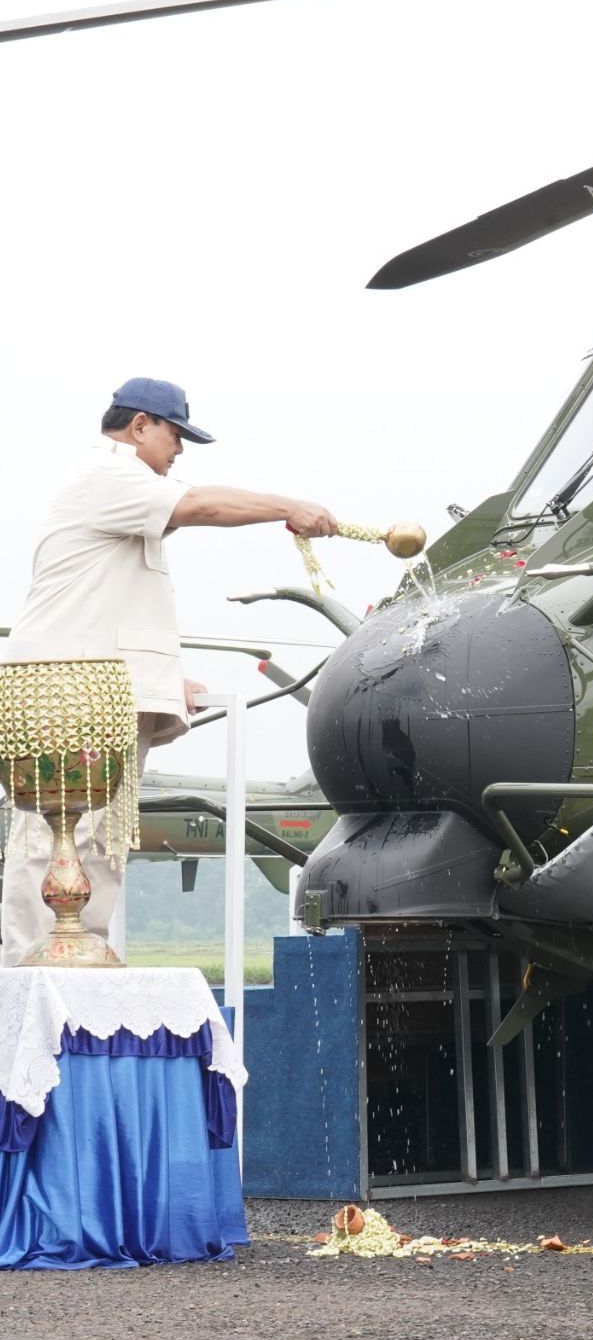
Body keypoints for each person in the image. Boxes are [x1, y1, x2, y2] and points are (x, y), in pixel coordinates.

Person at [0, 377, 338, 966]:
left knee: (102, 842)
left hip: (102, 689)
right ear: (139, 427)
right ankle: (31, 974)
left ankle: (82, 973)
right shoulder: (108, 474)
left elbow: (110, 600)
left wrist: (159, 678)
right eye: (175, 434)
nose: (178, 450)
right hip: (65, 695)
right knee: (54, 839)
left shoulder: (122, 489)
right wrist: (289, 507)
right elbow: (200, 504)